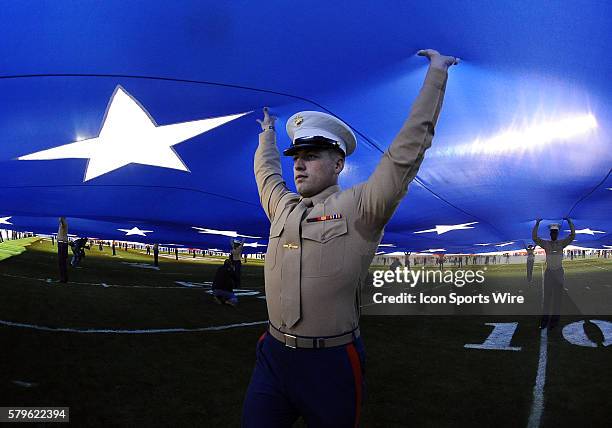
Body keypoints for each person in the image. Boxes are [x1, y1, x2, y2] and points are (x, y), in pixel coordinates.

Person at [243, 49, 457, 427]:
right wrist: (267, 135)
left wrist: (435, 76)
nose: (299, 163)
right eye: (296, 156)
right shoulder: (283, 207)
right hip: (273, 357)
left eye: (311, 155)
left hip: (330, 364)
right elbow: (267, 174)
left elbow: (404, 155)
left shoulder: (361, 207)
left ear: (338, 163)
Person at [532, 217, 576, 329]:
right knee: (547, 298)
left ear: (557, 233)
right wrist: (537, 223)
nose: (553, 234)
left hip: (559, 272)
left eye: (555, 232)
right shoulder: (546, 244)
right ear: (550, 234)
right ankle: (545, 320)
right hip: (549, 273)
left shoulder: (562, 243)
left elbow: (572, 236)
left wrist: (569, 222)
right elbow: (535, 238)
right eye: (552, 232)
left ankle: (554, 321)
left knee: (557, 298)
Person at [57, 217, 69, 283]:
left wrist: (61, 219)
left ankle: (63, 279)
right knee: (62, 262)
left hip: (62, 244)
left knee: (61, 262)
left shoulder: (64, 223)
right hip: (62, 244)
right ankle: (64, 278)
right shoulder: (62, 224)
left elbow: (63, 223)